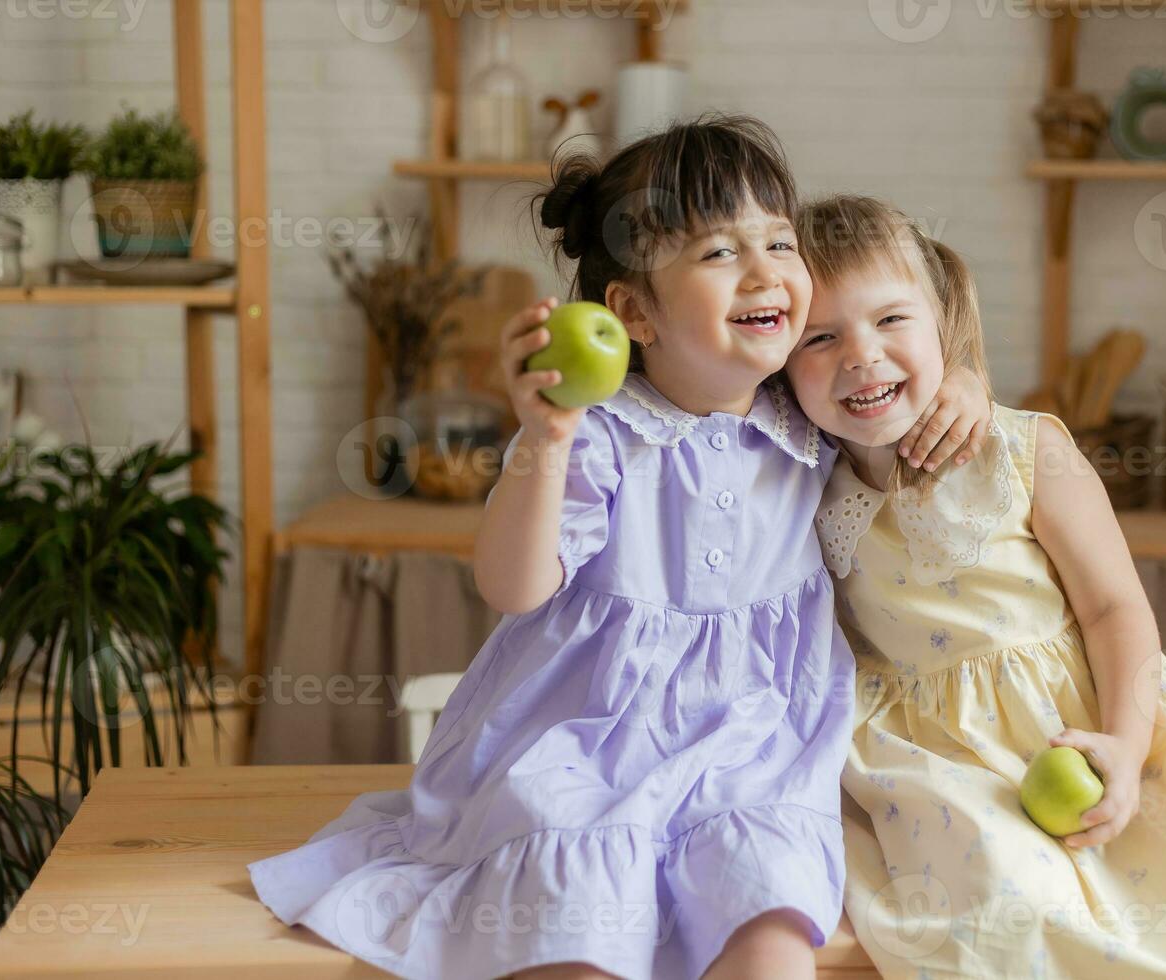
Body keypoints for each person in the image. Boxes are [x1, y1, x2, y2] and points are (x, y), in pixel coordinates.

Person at [247, 118, 993, 980]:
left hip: (754, 762)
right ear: (634, 312)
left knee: (772, 940)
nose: (764, 270)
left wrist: (965, 377)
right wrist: (543, 437)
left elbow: (895, 378)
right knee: (578, 938)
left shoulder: (810, 403)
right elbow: (514, 585)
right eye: (718, 253)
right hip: (592, 749)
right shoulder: (599, 433)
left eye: (779, 242)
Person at [782, 194, 1166, 979]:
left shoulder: (1026, 450)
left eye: (892, 321)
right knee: (1004, 912)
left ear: (941, 325)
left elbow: (1112, 605)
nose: (860, 355)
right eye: (820, 337)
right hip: (938, 761)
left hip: (1085, 713)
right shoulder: (797, 476)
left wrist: (1127, 749)